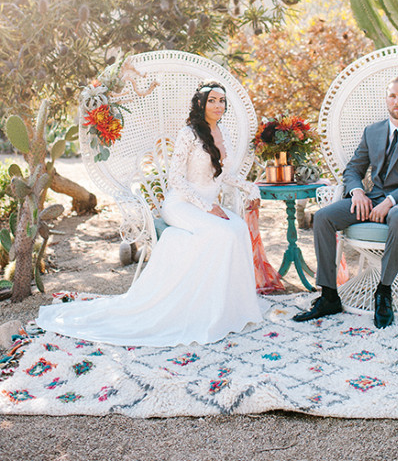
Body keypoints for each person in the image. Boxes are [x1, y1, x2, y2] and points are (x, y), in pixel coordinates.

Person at [37, 81, 265, 346]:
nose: (218, 106)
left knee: (237, 229)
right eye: (212, 100)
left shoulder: (222, 131)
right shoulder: (188, 134)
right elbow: (176, 179)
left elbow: (222, 173)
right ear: (201, 104)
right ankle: (200, 308)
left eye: (222, 101)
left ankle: (228, 307)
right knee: (223, 233)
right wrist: (207, 206)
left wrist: (249, 187)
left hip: (206, 203)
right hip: (181, 204)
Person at [293, 76, 398, 328]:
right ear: (386, 99)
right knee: (323, 218)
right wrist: (357, 193)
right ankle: (329, 295)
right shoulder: (372, 132)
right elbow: (353, 169)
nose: (397, 101)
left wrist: (392, 200)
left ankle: (383, 292)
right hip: (370, 199)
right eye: (393, 95)